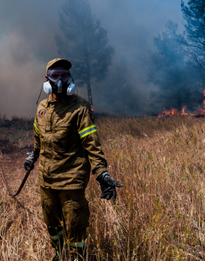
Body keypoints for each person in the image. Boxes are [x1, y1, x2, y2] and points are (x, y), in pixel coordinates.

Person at [24, 58, 123, 261]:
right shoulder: (42, 107)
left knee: (75, 224)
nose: (59, 80)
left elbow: (91, 144)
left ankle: (78, 256)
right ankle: (59, 253)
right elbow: (38, 137)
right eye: (55, 76)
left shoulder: (80, 107)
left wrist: (102, 174)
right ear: (46, 80)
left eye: (64, 75)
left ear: (70, 79)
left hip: (71, 178)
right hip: (46, 178)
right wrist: (33, 156)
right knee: (50, 220)